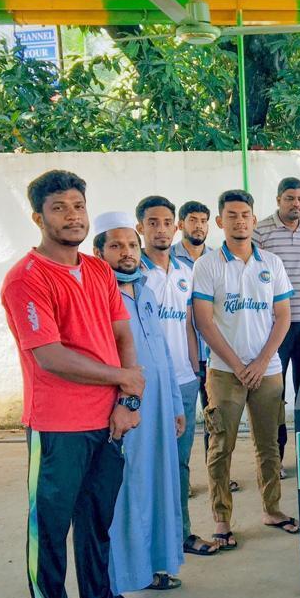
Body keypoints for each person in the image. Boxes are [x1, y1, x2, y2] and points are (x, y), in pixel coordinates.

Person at [1, 170, 151, 598]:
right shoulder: (26, 278)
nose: (72, 216)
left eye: (78, 206)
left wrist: (127, 398)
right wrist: (123, 378)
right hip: (57, 427)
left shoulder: (99, 272)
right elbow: (50, 356)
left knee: (95, 523)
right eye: (59, 208)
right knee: (48, 536)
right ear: (38, 217)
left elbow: (122, 335)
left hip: (107, 422)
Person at [93, 212, 199, 595]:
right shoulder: (98, 297)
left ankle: (155, 566)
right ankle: (124, 579)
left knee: (159, 484)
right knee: (128, 491)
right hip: (125, 409)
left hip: (158, 409)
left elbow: (163, 354)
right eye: (116, 246)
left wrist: (175, 405)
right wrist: (124, 403)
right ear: (99, 252)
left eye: (131, 246)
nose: (126, 253)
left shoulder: (147, 291)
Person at [193, 189, 299, 550]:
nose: (239, 221)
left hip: (267, 370)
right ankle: (222, 520)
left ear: (254, 220)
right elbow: (204, 322)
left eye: (245, 215)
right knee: (220, 445)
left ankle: (272, 509)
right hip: (225, 371)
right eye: (232, 215)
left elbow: (283, 317)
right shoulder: (207, 265)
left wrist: (261, 361)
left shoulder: (272, 263)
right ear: (220, 222)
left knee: (269, 445)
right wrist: (239, 366)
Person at [135, 196, 212, 557]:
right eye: (153, 223)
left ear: (176, 227)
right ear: (140, 228)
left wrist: (196, 371)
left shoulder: (185, 272)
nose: (161, 230)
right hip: (146, 385)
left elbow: (189, 325)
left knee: (179, 464)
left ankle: (181, 535)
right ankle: (146, 545)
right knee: (145, 465)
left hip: (183, 382)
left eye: (167, 222)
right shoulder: (134, 273)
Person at [253, 177, 300, 468]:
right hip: (274, 327)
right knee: (274, 394)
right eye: (290, 198)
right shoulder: (261, 231)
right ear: (278, 200)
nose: (296, 204)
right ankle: (276, 459)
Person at [171, 200, 219, 469]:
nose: (199, 226)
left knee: (215, 417)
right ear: (181, 225)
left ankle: (216, 475)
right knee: (182, 421)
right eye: (193, 220)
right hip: (181, 354)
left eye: (203, 221)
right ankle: (182, 478)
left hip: (213, 352)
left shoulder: (216, 258)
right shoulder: (168, 258)